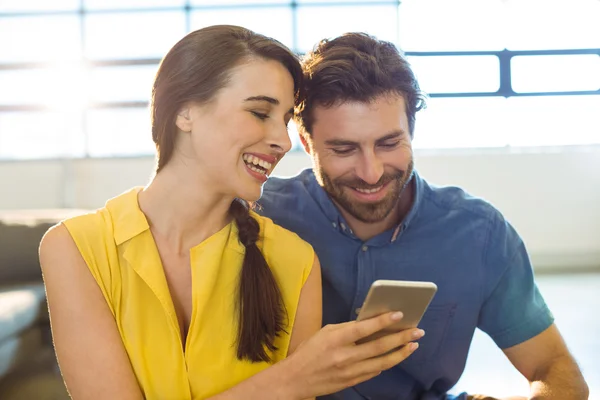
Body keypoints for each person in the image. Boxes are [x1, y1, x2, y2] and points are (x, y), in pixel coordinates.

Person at [38, 26, 424, 400]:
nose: (283, 140)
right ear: (185, 110)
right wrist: (291, 380)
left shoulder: (294, 261)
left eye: (286, 119)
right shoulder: (75, 249)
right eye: (260, 112)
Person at [258, 32, 589, 400]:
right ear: (307, 144)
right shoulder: (259, 218)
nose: (371, 172)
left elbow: (553, 367)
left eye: (389, 143)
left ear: (411, 132)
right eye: (344, 149)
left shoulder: (479, 234)